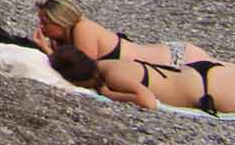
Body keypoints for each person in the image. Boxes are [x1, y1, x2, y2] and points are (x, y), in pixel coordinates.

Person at [17, 0, 221, 70]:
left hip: (177, 58)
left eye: (45, 22)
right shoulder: (66, 36)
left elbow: (82, 70)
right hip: (166, 57)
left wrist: (48, 50)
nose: (41, 27)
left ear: (60, 20)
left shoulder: (83, 29)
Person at [49, 44, 234, 114]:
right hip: (206, 72)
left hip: (208, 91)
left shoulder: (114, 77)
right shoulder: (109, 63)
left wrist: (110, 95)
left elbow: (148, 102)